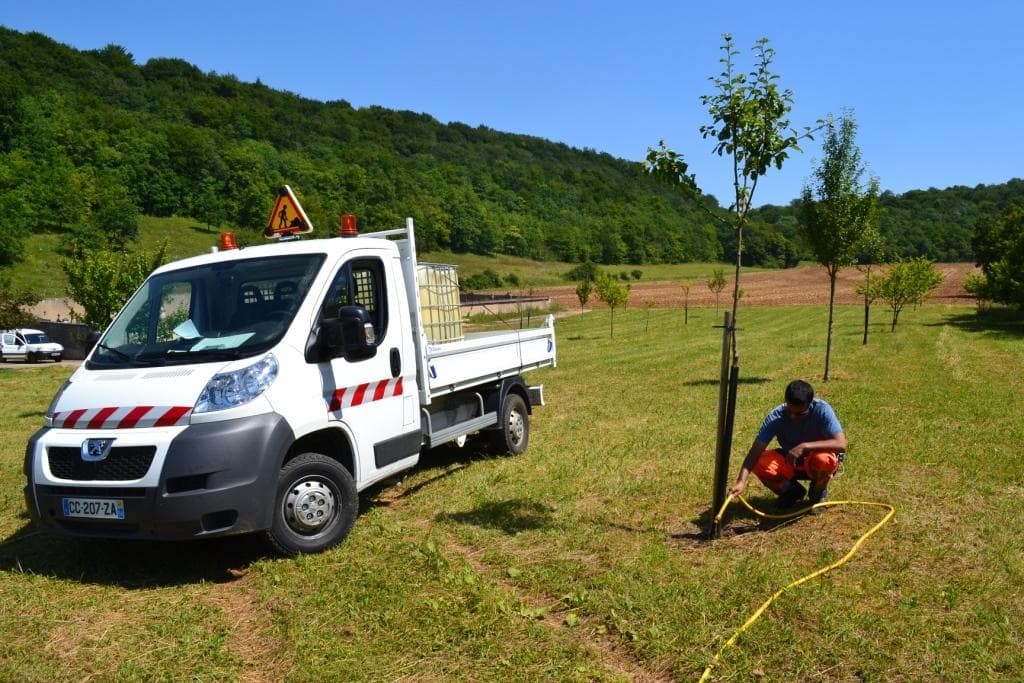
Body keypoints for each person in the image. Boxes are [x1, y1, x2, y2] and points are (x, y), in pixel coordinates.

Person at [729, 379, 846, 512]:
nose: (793, 417)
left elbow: (841, 444)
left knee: (824, 460)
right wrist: (741, 481)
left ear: (810, 404)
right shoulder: (776, 417)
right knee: (760, 461)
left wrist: (804, 446)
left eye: (800, 414)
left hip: (816, 461)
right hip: (791, 461)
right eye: (790, 410)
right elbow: (754, 452)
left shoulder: (822, 410)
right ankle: (792, 492)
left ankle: (817, 494)